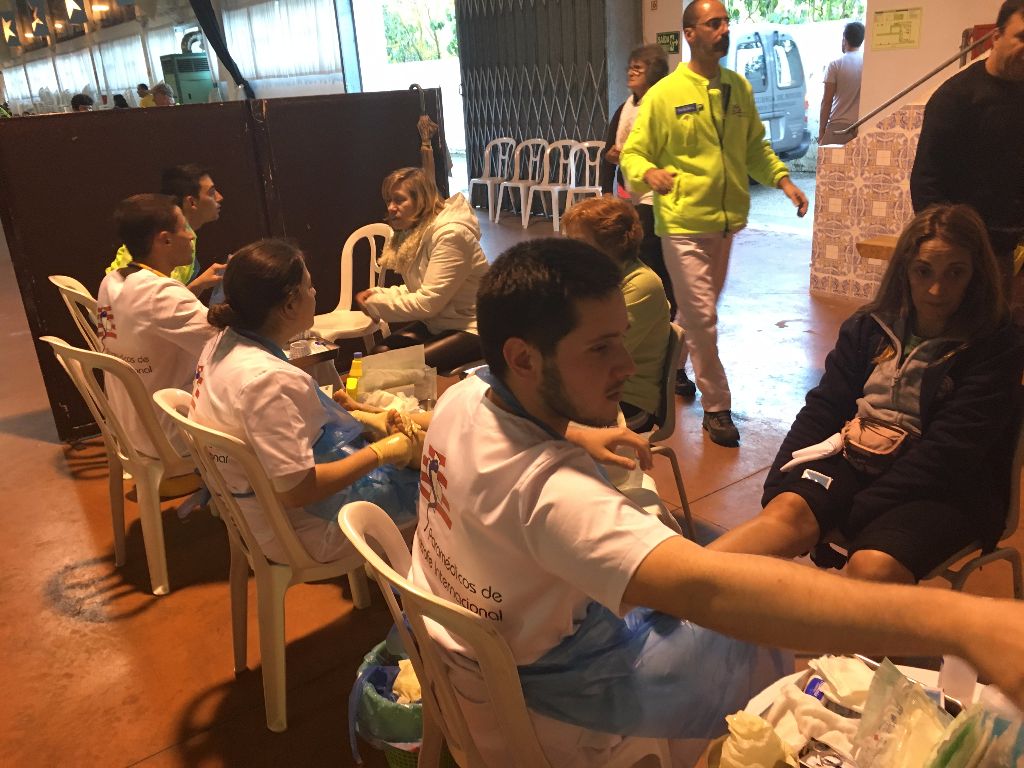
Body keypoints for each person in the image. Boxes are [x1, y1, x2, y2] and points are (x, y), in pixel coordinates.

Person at [408, 236, 1024, 767]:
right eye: (600, 348)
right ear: (523, 358)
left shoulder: (464, 397)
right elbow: (715, 590)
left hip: (465, 672)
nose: (627, 363)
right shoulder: (557, 500)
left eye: (623, 338)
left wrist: (574, 429)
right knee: (754, 632)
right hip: (547, 722)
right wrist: (965, 624)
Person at [710, 204, 1023, 585]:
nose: (936, 289)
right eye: (924, 271)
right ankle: (671, 590)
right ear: (905, 270)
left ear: (976, 275)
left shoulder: (995, 344)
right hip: (859, 456)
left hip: (948, 487)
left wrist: (851, 513)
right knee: (786, 513)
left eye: (955, 273)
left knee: (873, 565)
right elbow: (825, 406)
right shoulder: (869, 325)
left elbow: (950, 452)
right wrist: (779, 482)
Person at [621, 0, 809, 447]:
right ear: (690, 34)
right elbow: (633, 153)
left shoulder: (737, 88)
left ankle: (670, 368)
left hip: (724, 226)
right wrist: (650, 173)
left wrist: (783, 180)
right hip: (681, 224)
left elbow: (755, 148)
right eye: (714, 23)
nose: (724, 29)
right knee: (703, 316)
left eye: (726, 22)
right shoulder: (666, 94)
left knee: (694, 313)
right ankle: (717, 406)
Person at [191, 238, 425, 564]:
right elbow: (297, 491)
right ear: (289, 306)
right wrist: (381, 452)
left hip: (254, 509)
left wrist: (361, 415)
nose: (315, 293)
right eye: (309, 286)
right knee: (442, 485)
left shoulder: (221, 342)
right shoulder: (267, 381)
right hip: (302, 531)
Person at [910, 0, 1024, 295]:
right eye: (1021, 37)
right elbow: (925, 182)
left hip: (1004, 249)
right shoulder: (955, 98)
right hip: (958, 251)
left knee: (996, 322)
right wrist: (946, 249)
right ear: (996, 37)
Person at [97, 194, 217, 459]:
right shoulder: (162, 294)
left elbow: (155, 318)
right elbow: (226, 345)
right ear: (165, 239)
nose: (191, 236)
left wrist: (194, 287)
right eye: (185, 228)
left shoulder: (111, 282)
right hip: (172, 436)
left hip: (130, 431)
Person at [355, 166, 489, 372]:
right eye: (389, 201)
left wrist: (375, 304)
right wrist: (377, 294)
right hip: (441, 323)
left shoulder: (451, 235)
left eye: (399, 200)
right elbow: (419, 287)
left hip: (474, 327)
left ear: (422, 201)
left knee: (398, 366)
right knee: (380, 353)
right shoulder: (417, 233)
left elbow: (428, 303)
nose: (391, 207)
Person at [562, 196, 670, 432]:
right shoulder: (590, 277)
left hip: (624, 399)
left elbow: (599, 356)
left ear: (611, 245)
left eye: (578, 243)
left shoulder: (641, 284)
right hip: (588, 387)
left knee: (526, 423)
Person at [601, 45, 679, 357]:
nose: (631, 72)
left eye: (639, 68)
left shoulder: (664, 106)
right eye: (630, 66)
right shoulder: (625, 108)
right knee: (640, 259)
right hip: (629, 193)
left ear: (655, 74)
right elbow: (608, 152)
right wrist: (606, 189)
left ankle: (664, 330)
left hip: (656, 196)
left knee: (651, 259)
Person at [106, 164, 225, 294]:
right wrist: (198, 286)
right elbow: (151, 297)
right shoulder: (166, 238)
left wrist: (199, 285)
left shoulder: (186, 236)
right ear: (191, 202)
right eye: (211, 193)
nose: (220, 197)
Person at [818, 21, 864, 146]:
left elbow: (827, 102)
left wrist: (822, 132)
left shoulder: (835, 65)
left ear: (844, 39)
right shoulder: (867, 63)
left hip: (838, 128)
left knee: (829, 158)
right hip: (861, 126)